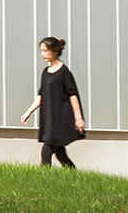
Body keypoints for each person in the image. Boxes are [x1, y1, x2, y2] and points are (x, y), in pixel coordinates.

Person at [18, 36, 86, 168]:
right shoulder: (45, 72)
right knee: (60, 153)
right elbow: (41, 95)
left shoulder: (64, 72)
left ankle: (43, 181)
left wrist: (78, 118)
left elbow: (73, 95)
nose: (42, 54)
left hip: (60, 118)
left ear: (54, 51)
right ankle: (74, 175)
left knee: (46, 151)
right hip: (49, 119)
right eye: (41, 51)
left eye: (45, 50)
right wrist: (29, 111)